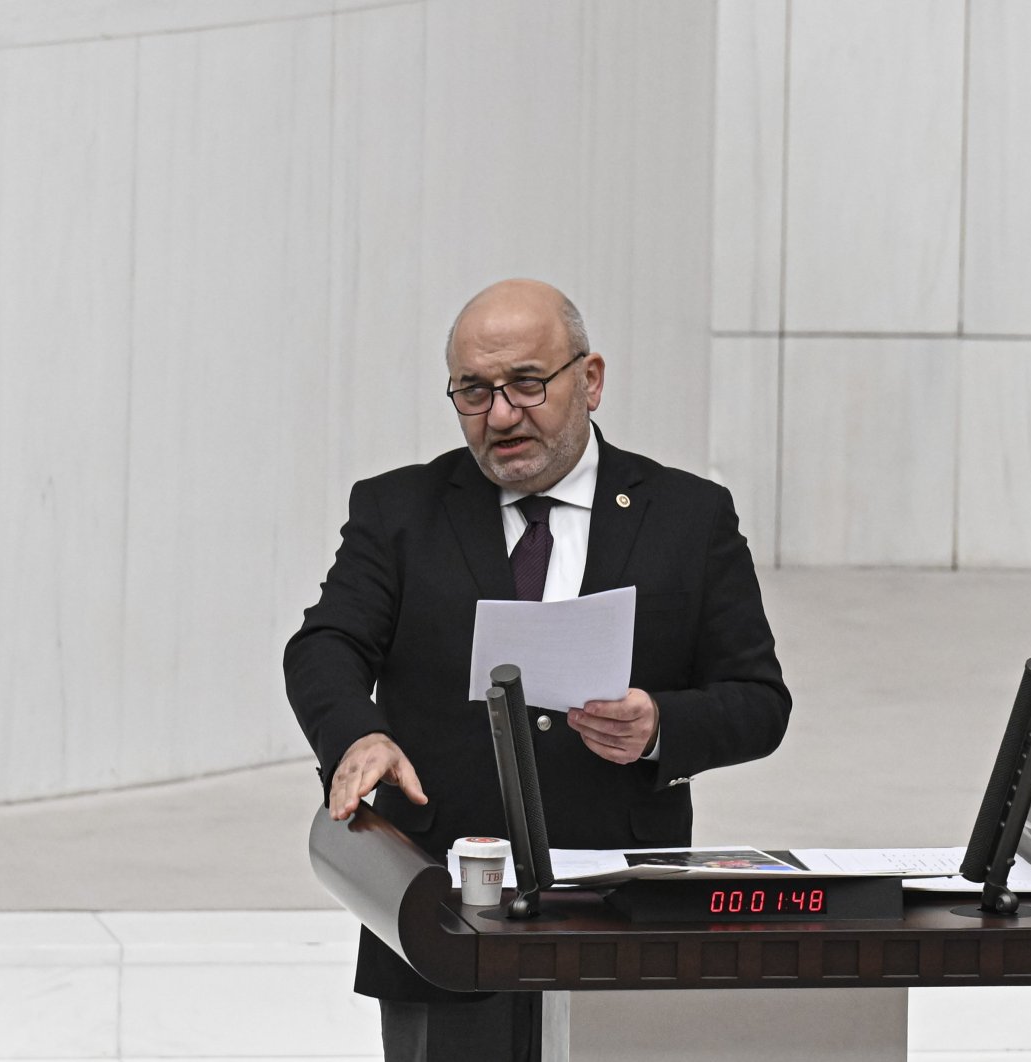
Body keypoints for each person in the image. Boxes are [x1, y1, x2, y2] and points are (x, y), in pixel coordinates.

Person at [284, 278, 791, 1061]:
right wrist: (359, 736)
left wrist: (661, 726)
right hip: (444, 916)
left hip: (621, 912)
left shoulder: (689, 517)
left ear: (588, 380)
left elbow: (758, 701)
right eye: (474, 391)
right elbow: (325, 646)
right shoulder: (399, 512)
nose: (501, 415)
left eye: (526, 383)